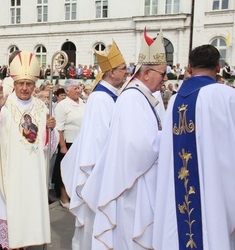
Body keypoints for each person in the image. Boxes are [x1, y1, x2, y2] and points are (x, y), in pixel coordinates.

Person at [82, 28, 167, 249]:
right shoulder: (132, 98)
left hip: (137, 181)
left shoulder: (141, 95)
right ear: (146, 73)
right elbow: (138, 146)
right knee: (129, 236)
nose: (166, 79)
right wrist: (169, 138)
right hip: (131, 187)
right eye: (162, 73)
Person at [153, 45, 235, 249]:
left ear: (189, 67)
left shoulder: (173, 101)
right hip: (217, 184)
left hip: (181, 188)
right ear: (219, 66)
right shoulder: (227, 95)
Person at [0, 51, 58, 249]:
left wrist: (50, 129)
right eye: (21, 83)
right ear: (14, 84)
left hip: (32, 175)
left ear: (34, 85)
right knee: (8, 226)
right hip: (9, 173)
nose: (25, 88)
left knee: (27, 222)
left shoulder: (41, 107)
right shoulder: (4, 105)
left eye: (29, 84)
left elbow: (48, 147)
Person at [61, 41, 129, 250]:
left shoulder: (109, 94)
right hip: (99, 172)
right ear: (111, 72)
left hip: (106, 170)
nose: (127, 72)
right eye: (123, 69)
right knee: (95, 223)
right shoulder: (101, 98)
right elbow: (101, 140)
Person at [52, 79, 85, 208]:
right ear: (67, 91)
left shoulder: (83, 103)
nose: (79, 90)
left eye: (79, 88)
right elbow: (59, 128)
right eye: (75, 88)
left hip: (81, 142)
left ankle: (76, 196)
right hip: (68, 142)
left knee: (78, 171)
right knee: (65, 171)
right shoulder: (62, 105)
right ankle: (64, 197)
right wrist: (62, 146)